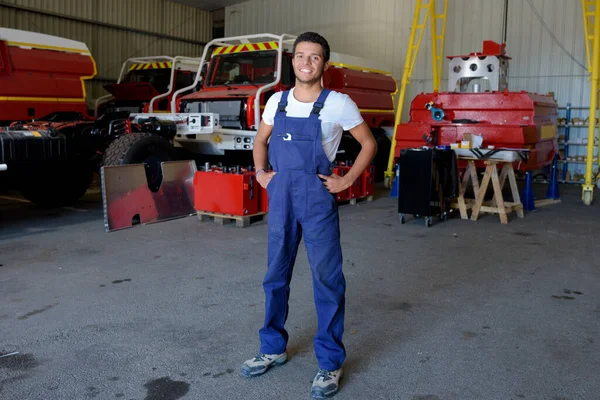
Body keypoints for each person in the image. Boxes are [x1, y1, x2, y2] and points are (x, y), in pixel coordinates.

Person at [240, 31, 378, 399]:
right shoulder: (276, 101)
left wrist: (346, 179)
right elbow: (260, 140)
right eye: (300, 55)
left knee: (327, 279)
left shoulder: (338, 103)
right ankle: (272, 347)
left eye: (314, 57)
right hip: (282, 197)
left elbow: (369, 143)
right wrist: (260, 174)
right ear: (293, 61)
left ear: (324, 64)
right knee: (275, 276)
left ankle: (330, 363)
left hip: (317, 199)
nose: (306, 62)